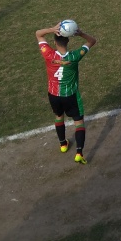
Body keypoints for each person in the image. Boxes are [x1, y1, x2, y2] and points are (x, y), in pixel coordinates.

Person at [35, 22, 97, 163]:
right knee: (79, 122)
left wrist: (51, 29)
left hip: (54, 95)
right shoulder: (75, 56)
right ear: (68, 40)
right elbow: (92, 41)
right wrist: (80, 33)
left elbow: (38, 33)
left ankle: (63, 144)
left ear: (54, 42)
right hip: (71, 96)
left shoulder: (48, 54)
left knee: (58, 116)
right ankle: (79, 153)